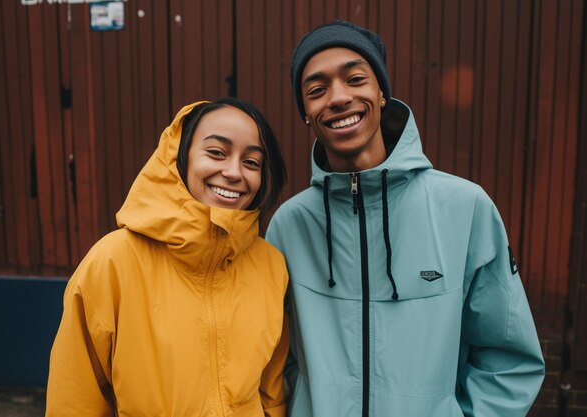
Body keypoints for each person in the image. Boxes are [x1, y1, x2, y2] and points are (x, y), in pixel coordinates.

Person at [265, 20, 545, 417]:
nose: (338, 97)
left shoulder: (465, 208)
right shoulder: (288, 226)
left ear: (381, 94)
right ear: (306, 115)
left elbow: (508, 357)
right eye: (316, 90)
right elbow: (273, 359)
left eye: (356, 78)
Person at [46, 97, 289, 417]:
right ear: (180, 158)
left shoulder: (271, 266)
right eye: (217, 152)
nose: (233, 172)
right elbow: (75, 400)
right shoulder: (113, 261)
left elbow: (271, 394)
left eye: (251, 162)